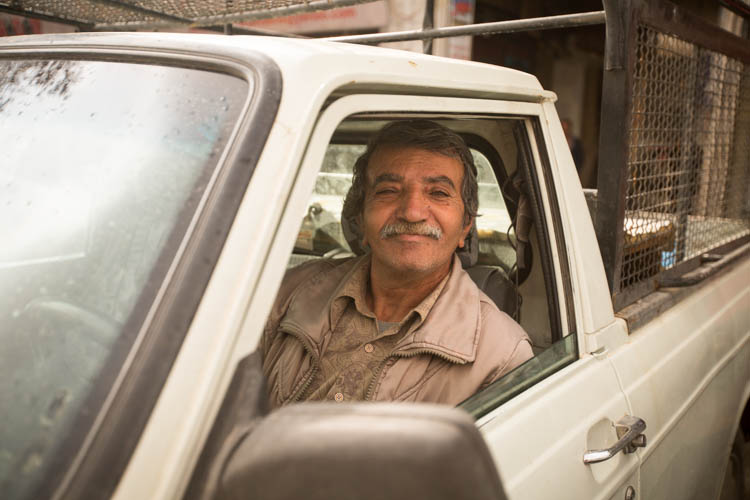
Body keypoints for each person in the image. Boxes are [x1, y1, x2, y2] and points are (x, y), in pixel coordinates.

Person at [261, 120, 532, 408]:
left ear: (466, 225)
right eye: (388, 191)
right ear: (360, 219)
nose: (412, 213)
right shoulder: (287, 294)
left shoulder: (502, 356)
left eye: (438, 193)